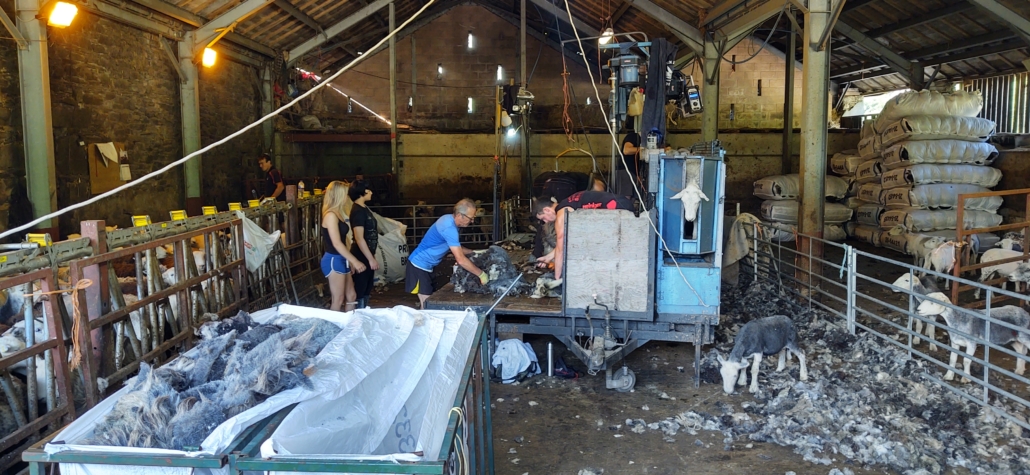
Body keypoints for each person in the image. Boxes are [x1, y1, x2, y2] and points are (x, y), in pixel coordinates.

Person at [405, 198, 489, 309]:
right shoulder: (449, 228)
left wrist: (474, 252)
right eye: (471, 218)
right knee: (427, 305)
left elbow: (455, 247)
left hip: (426, 266)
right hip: (418, 266)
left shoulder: (448, 220)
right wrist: (481, 274)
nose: (472, 221)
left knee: (427, 304)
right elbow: (460, 259)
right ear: (460, 215)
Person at [533, 190, 635, 280]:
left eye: (543, 218)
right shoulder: (568, 203)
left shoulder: (561, 214)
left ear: (547, 210)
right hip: (622, 203)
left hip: (615, 207)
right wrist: (548, 257)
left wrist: (557, 278)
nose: (546, 222)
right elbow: (563, 243)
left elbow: (561, 249)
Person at [321, 181, 367, 312]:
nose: (347, 197)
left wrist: (349, 260)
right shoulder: (330, 215)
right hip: (333, 259)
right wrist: (354, 260)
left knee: (351, 295)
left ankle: (349, 328)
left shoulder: (338, 213)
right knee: (338, 299)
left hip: (341, 258)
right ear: (338, 195)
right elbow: (336, 243)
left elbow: (342, 240)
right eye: (345, 194)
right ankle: (330, 329)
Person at [348, 180, 379, 309]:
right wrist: (370, 259)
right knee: (361, 288)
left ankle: (363, 313)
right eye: (368, 189)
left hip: (367, 253)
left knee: (367, 286)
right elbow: (359, 238)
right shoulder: (358, 211)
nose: (371, 192)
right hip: (361, 254)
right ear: (363, 192)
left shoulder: (364, 208)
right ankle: (358, 316)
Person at [616, 129, 642, 197]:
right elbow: (626, 150)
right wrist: (644, 149)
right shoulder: (633, 136)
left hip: (634, 174)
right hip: (625, 171)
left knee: (634, 199)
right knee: (626, 197)